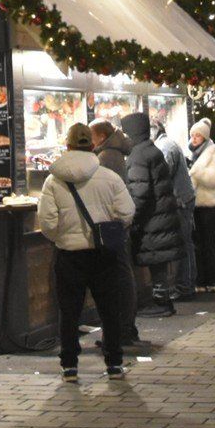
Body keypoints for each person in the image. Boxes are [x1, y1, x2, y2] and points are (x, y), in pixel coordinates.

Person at [36, 122, 135, 380]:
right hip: (103, 254)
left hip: (69, 255)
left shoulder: (53, 181)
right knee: (109, 310)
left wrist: (62, 238)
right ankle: (114, 363)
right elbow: (127, 212)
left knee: (69, 312)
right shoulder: (109, 177)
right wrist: (109, 228)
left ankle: (69, 366)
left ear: (67, 146)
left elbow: (47, 222)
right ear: (92, 146)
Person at [120, 110, 182, 317]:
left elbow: (140, 192)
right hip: (160, 216)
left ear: (132, 132)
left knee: (156, 261)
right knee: (159, 263)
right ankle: (162, 300)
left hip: (152, 220)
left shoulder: (138, 156)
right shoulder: (151, 150)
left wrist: (132, 218)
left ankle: (161, 303)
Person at [90, 119, 139, 342]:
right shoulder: (113, 153)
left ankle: (120, 329)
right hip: (116, 222)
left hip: (110, 223)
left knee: (116, 276)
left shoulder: (106, 157)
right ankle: (124, 327)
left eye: (91, 135)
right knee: (121, 273)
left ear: (101, 136)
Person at [154, 120, 198, 299]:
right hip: (183, 199)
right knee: (186, 243)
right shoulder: (168, 144)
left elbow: (163, 174)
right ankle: (187, 284)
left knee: (183, 244)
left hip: (180, 201)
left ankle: (185, 286)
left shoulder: (164, 147)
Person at [187, 119, 215, 290]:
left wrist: (194, 171)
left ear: (205, 137)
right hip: (195, 204)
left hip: (209, 205)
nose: (194, 138)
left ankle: (212, 281)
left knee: (208, 243)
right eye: (193, 135)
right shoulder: (193, 154)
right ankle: (200, 280)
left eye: (198, 135)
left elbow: (213, 179)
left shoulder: (214, 154)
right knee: (197, 243)